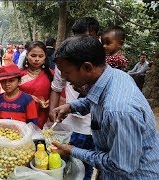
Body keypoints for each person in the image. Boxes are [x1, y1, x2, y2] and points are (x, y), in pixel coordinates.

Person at [50, 35, 159, 179]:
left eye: (66, 72)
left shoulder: (119, 111)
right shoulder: (115, 76)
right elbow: (95, 100)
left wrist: (72, 151)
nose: (63, 77)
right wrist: (70, 106)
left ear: (87, 67)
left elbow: (122, 165)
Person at [49, 17, 100, 180]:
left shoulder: (102, 65)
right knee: (67, 164)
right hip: (70, 125)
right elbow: (56, 88)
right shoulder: (66, 62)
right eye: (78, 39)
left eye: (87, 38)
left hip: (93, 128)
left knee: (86, 166)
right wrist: (54, 111)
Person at [19, 41, 54, 129]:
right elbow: (10, 94)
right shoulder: (19, 75)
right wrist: (27, 97)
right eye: (33, 56)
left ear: (45, 57)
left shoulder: (51, 75)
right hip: (22, 114)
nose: (37, 59)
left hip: (43, 115)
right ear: (27, 55)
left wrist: (51, 101)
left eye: (41, 56)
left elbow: (58, 94)